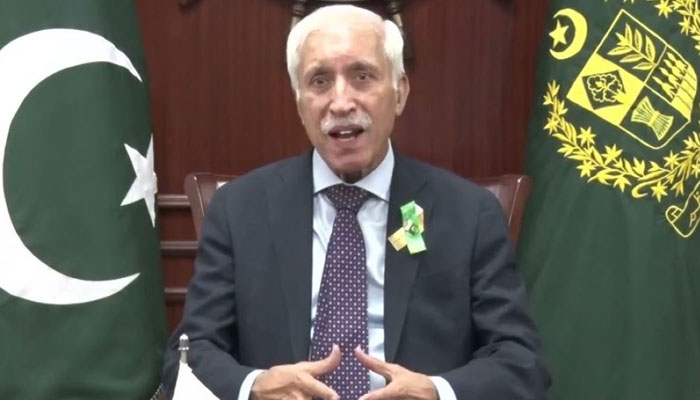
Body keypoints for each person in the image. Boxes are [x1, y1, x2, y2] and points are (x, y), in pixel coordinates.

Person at [162, 5, 550, 400]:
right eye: (319, 81)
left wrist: (436, 391)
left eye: (362, 76)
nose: (341, 102)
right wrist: (256, 387)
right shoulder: (239, 210)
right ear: (299, 103)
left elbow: (521, 361)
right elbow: (188, 357)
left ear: (400, 93)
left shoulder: (468, 213)